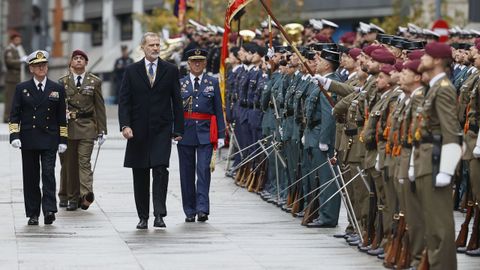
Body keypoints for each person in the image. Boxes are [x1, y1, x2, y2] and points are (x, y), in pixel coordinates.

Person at [118, 32, 184, 230]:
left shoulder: (170, 70)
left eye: (157, 45)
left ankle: (159, 214)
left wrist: (178, 128)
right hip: (137, 131)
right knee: (140, 173)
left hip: (161, 129)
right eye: (151, 45)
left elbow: (177, 102)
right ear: (142, 48)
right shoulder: (131, 71)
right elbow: (124, 101)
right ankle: (143, 216)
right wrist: (125, 125)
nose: (155, 48)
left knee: (160, 169)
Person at [9, 50, 68, 225]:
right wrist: (14, 135)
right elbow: (14, 115)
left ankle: (49, 209)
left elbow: (61, 117)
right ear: (31, 69)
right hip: (28, 138)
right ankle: (33, 213)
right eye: (37, 65)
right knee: (31, 176)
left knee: (48, 174)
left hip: (49, 138)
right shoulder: (22, 88)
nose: (41, 68)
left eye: (44, 65)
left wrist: (63, 140)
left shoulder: (56, 89)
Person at [177, 48, 225, 222]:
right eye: (194, 61)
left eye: (200, 61)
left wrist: (221, 135)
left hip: (206, 133)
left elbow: (218, 110)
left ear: (205, 63)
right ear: (188, 64)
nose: (197, 64)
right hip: (185, 132)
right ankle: (189, 210)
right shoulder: (180, 83)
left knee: (204, 170)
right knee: (186, 173)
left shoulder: (212, 82)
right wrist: (174, 131)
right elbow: (173, 110)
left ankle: (202, 208)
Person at [58, 50, 107, 211]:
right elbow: (57, 106)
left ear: (86, 63)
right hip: (69, 127)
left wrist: (102, 130)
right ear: (71, 63)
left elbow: (100, 107)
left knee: (84, 161)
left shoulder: (95, 81)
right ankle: (72, 198)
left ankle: (86, 195)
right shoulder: (62, 82)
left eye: (82, 59)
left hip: (87, 127)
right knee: (70, 164)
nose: (78, 60)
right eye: (75, 58)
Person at [3, 32, 25, 123]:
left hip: (17, 78)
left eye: (19, 39)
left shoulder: (17, 49)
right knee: (10, 98)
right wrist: (20, 60)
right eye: (17, 39)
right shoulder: (9, 49)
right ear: (12, 40)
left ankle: (13, 116)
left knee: (16, 98)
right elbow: (9, 62)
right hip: (11, 79)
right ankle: (6, 117)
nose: (19, 41)